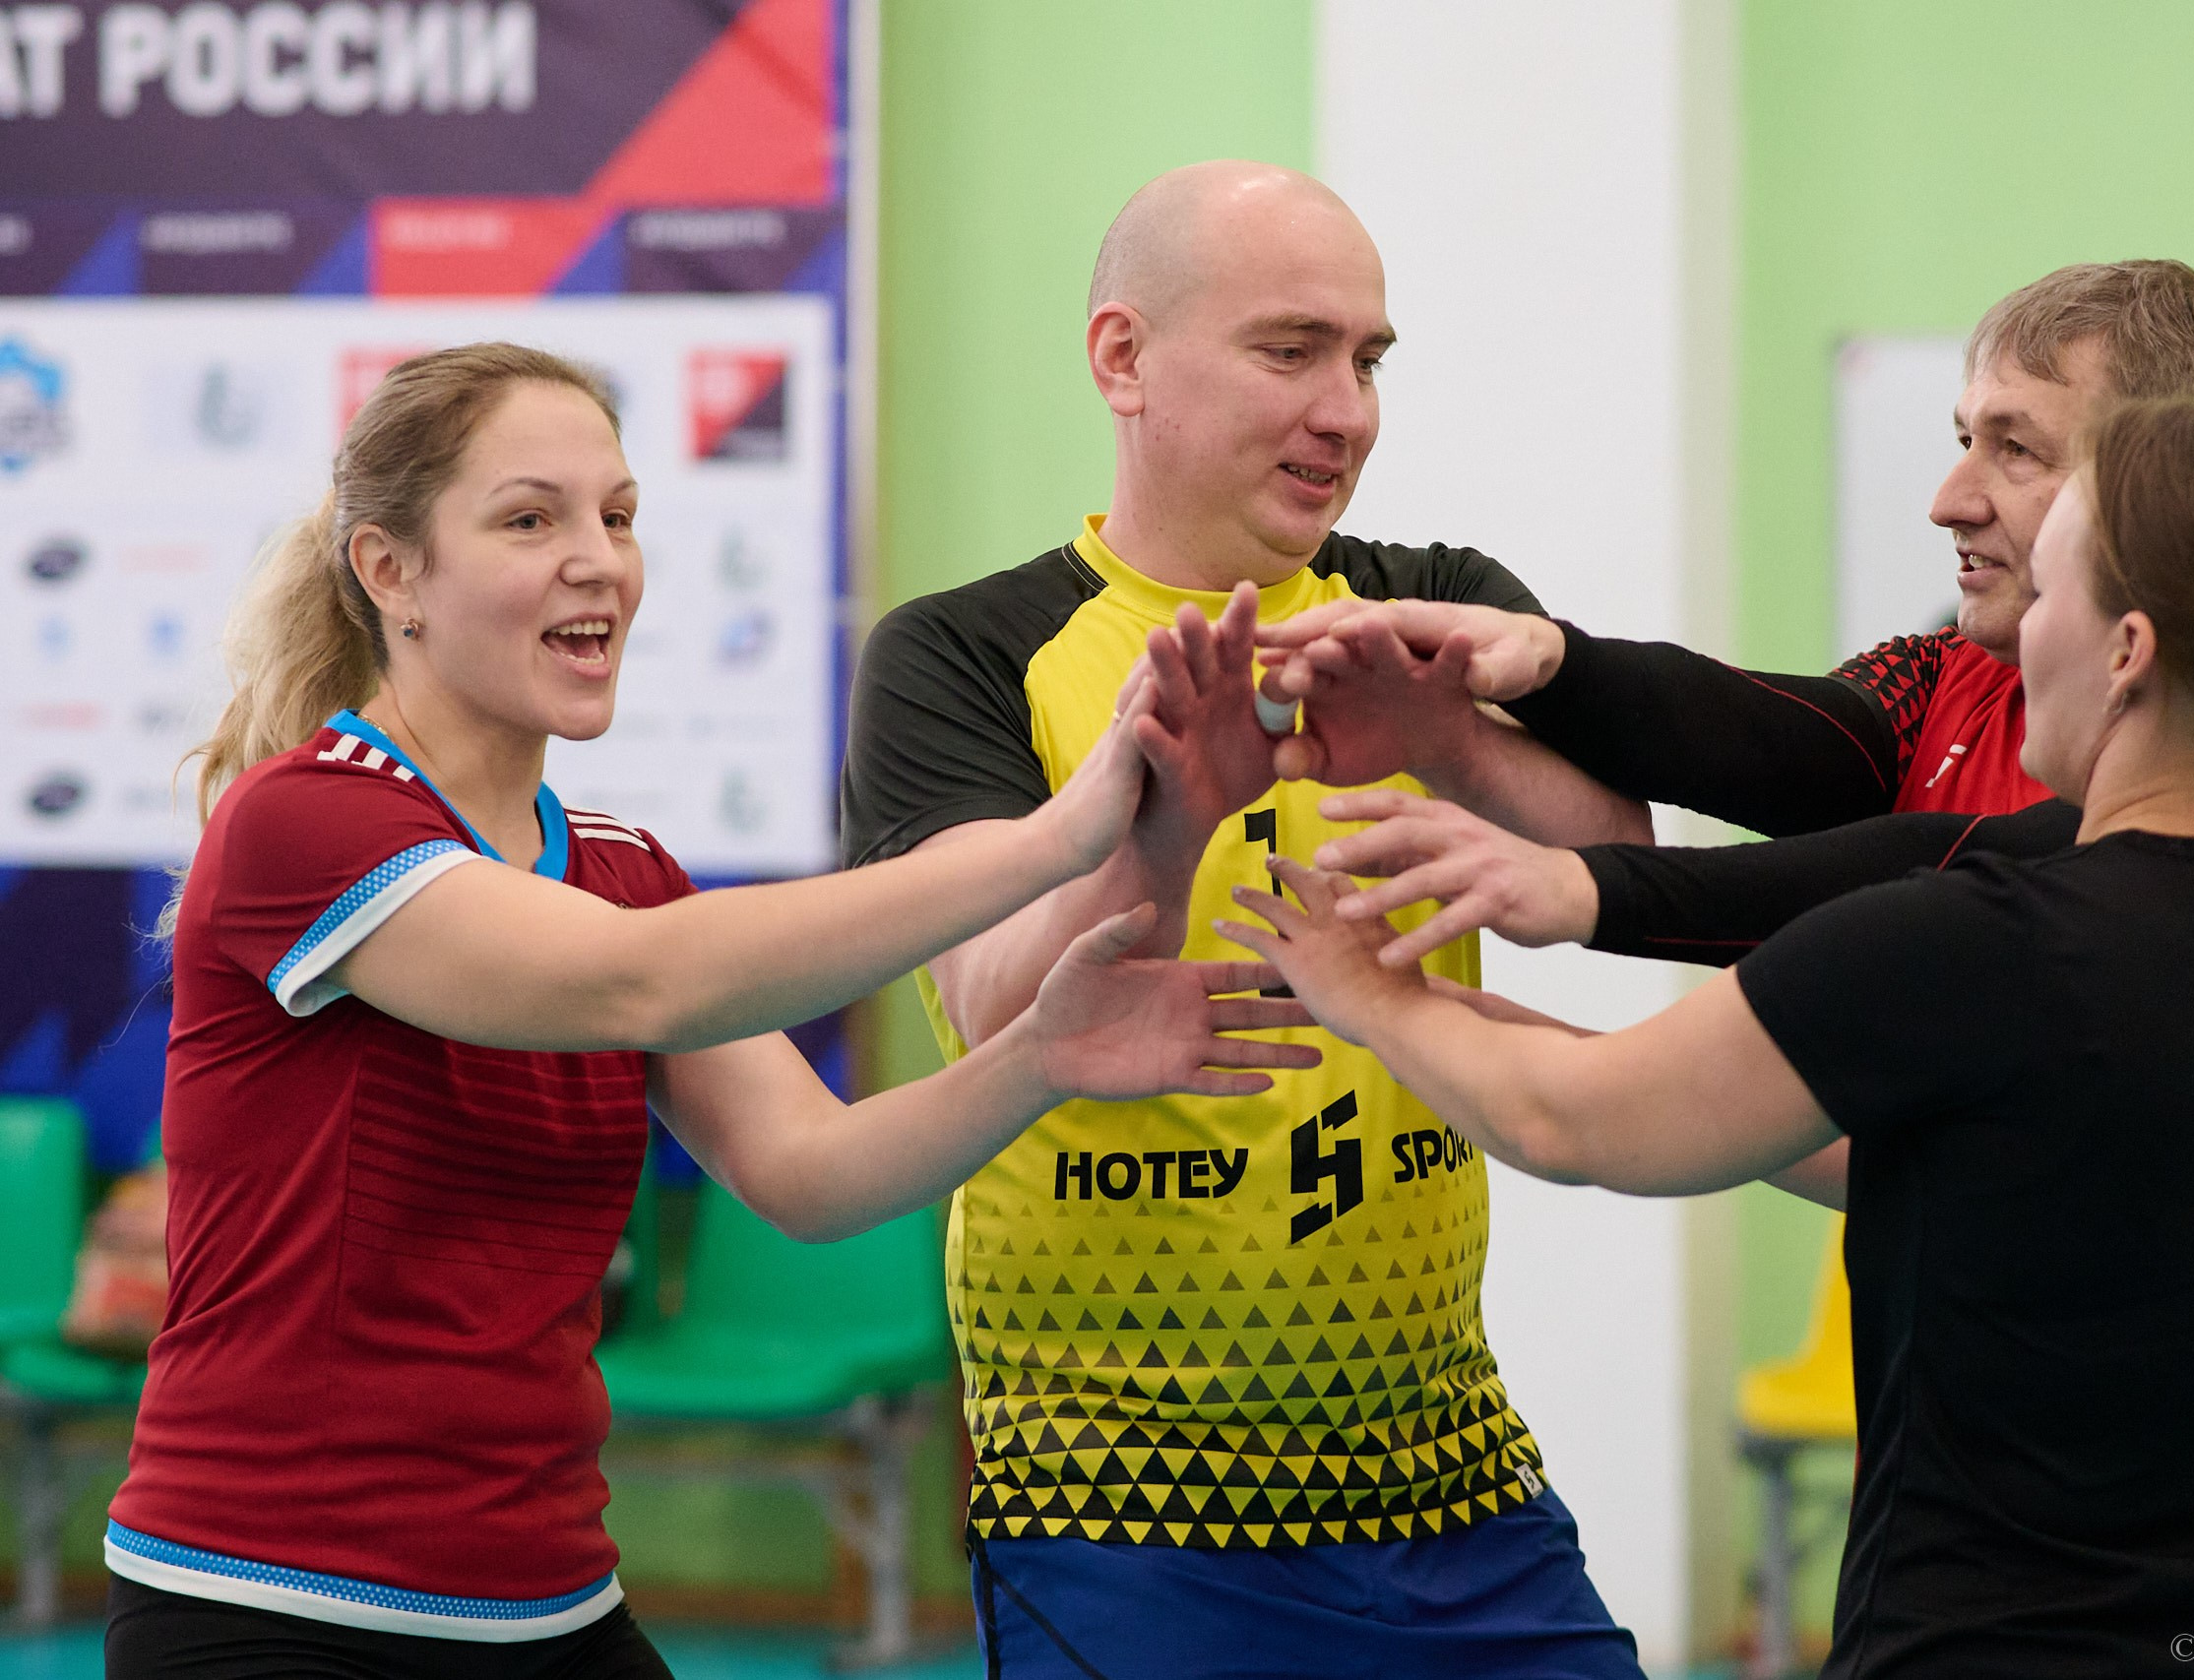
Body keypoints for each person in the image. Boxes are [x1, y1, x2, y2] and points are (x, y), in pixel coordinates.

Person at [107, 342, 1317, 1680]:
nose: (598, 560)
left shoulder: (621, 869)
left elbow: (812, 1171)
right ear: (390, 571)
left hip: (546, 1607)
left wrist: (1039, 1055)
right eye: (530, 519)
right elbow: (643, 977)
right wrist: (1054, 839)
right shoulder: (306, 820)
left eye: (618, 516)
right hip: (270, 1607)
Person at [1224, 397, 2194, 1678]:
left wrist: (1360, 987)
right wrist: (1464, 1005)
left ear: (2127, 649)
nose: (2020, 631)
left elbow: (1570, 1117)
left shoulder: (1975, 945)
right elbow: (1969, 1167)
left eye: (2050, 593)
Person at [840, 162, 1648, 1679]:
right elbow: (996, 1003)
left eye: (1369, 360)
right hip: (1118, 1499)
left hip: (1452, 1473)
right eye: (1291, 350)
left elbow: (1622, 868)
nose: (1347, 411)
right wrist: (1172, 823)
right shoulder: (966, 651)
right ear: (1124, 357)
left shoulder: (1428, 605)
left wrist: (1455, 740)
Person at [1246, 261, 2194, 991]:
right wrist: (1547, 666)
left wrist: (1585, 893)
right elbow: (1786, 740)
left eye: (2015, 449)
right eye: (1963, 439)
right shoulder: (1946, 677)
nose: (1949, 499)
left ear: (2173, 488)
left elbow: (1986, 882)